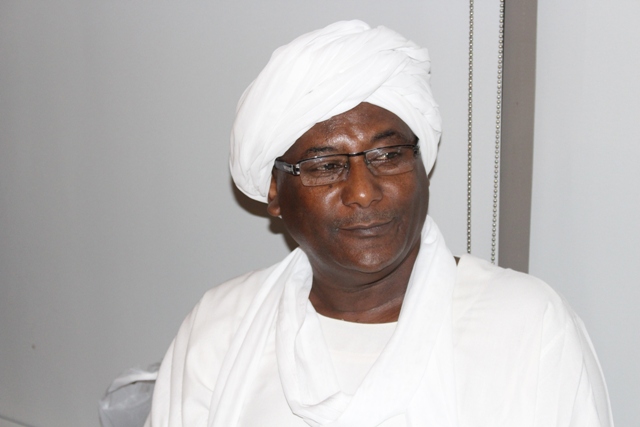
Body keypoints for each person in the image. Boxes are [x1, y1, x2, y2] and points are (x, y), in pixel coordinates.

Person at [145, 20, 613, 427]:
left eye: (388, 155)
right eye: (326, 165)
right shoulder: (222, 328)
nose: (364, 191)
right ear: (274, 192)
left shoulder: (525, 325)